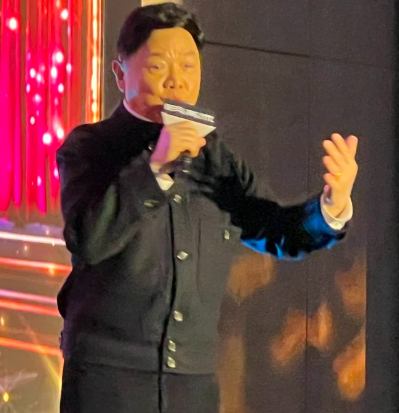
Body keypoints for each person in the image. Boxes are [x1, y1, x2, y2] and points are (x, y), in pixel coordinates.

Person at [55, 3, 358, 412]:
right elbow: (89, 239)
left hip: (192, 382)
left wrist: (331, 206)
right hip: (109, 377)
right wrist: (156, 167)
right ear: (120, 73)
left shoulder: (213, 155)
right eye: (159, 66)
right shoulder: (91, 147)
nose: (176, 80)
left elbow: (270, 227)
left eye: (188, 66)